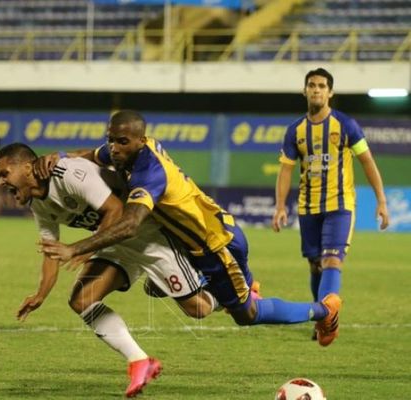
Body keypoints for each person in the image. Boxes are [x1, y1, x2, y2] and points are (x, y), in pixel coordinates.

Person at [36, 110, 341, 347]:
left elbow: (129, 224)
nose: (114, 148)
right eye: (111, 139)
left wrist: (76, 248)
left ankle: (325, 312)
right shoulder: (130, 150)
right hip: (207, 234)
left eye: (121, 141)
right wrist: (61, 156)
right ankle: (242, 289)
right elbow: (93, 154)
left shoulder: (149, 173)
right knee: (164, 287)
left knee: (246, 315)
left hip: (214, 247)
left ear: (141, 141)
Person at [0, 143, 218, 398]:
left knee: (199, 309)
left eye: (4, 174)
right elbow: (51, 251)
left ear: (26, 168)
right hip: (113, 242)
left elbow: (115, 210)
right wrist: (40, 295)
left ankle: (227, 291)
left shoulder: (67, 174)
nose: (1, 182)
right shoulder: (38, 204)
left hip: (148, 235)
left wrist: (84, 249)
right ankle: (140, 361)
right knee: (82, 299)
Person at [272, 68, 389, 342]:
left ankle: (327, 320)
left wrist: (381, 200)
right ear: (305, 91)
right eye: (311, 85)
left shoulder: (346, 125)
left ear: (330, 92)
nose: (316, 90)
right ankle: (321, 315)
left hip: (340, 206)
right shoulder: (295, 131)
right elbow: (286, 170)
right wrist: (280, 206)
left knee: (332, 260)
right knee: (315, 265)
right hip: (308, 208)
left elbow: (367, 162)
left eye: (322, 86)